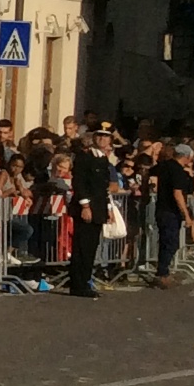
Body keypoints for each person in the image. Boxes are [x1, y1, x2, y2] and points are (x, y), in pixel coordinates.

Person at [66, 121, 117, 298]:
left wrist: (108, 207)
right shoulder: (84, 156)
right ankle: (78, 284)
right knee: (82, 247)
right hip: (86, 208)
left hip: (99, 207)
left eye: (106, 136)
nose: (102, 139)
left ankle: (85, 280)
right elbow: (79, 183)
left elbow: (103, 188)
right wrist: (85, 205)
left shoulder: (102, 159)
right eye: (99, 135)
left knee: (91, 247)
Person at [149, 135, 194, 288]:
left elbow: (150, 173)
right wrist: (186, 215)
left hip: (161, 208)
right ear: (187, 157)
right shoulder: (177, 171)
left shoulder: (164, 166)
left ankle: (163, 271)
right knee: (170, 243)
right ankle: (162, 273)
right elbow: (178, 194)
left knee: (167, 241)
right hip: (170, 211)